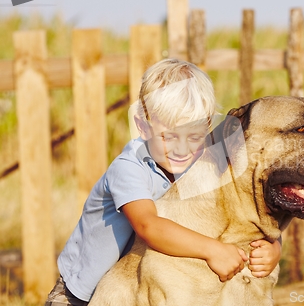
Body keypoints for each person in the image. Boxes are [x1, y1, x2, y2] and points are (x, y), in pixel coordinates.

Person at [45, 59, 281, 306]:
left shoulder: (203, 164)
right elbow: (148, 226)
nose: (181, 149)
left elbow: (247, 206)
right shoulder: (129, 168)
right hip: (80, 294)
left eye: (194, 136)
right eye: (168, 137)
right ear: (143, 127)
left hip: (134, 288)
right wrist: (213, 250)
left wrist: (273, 247)